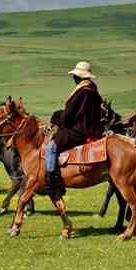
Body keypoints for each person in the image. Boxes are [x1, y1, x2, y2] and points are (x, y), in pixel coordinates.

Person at [43, 61, 105, 198]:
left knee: (51, 145)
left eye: (75, 76)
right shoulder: (94, 92)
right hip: (93, 130)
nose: (73, 78)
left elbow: (68, 117)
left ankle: (52, 181)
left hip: (79, 131)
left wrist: (56, 116)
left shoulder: (81, 94)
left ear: (79, 78)